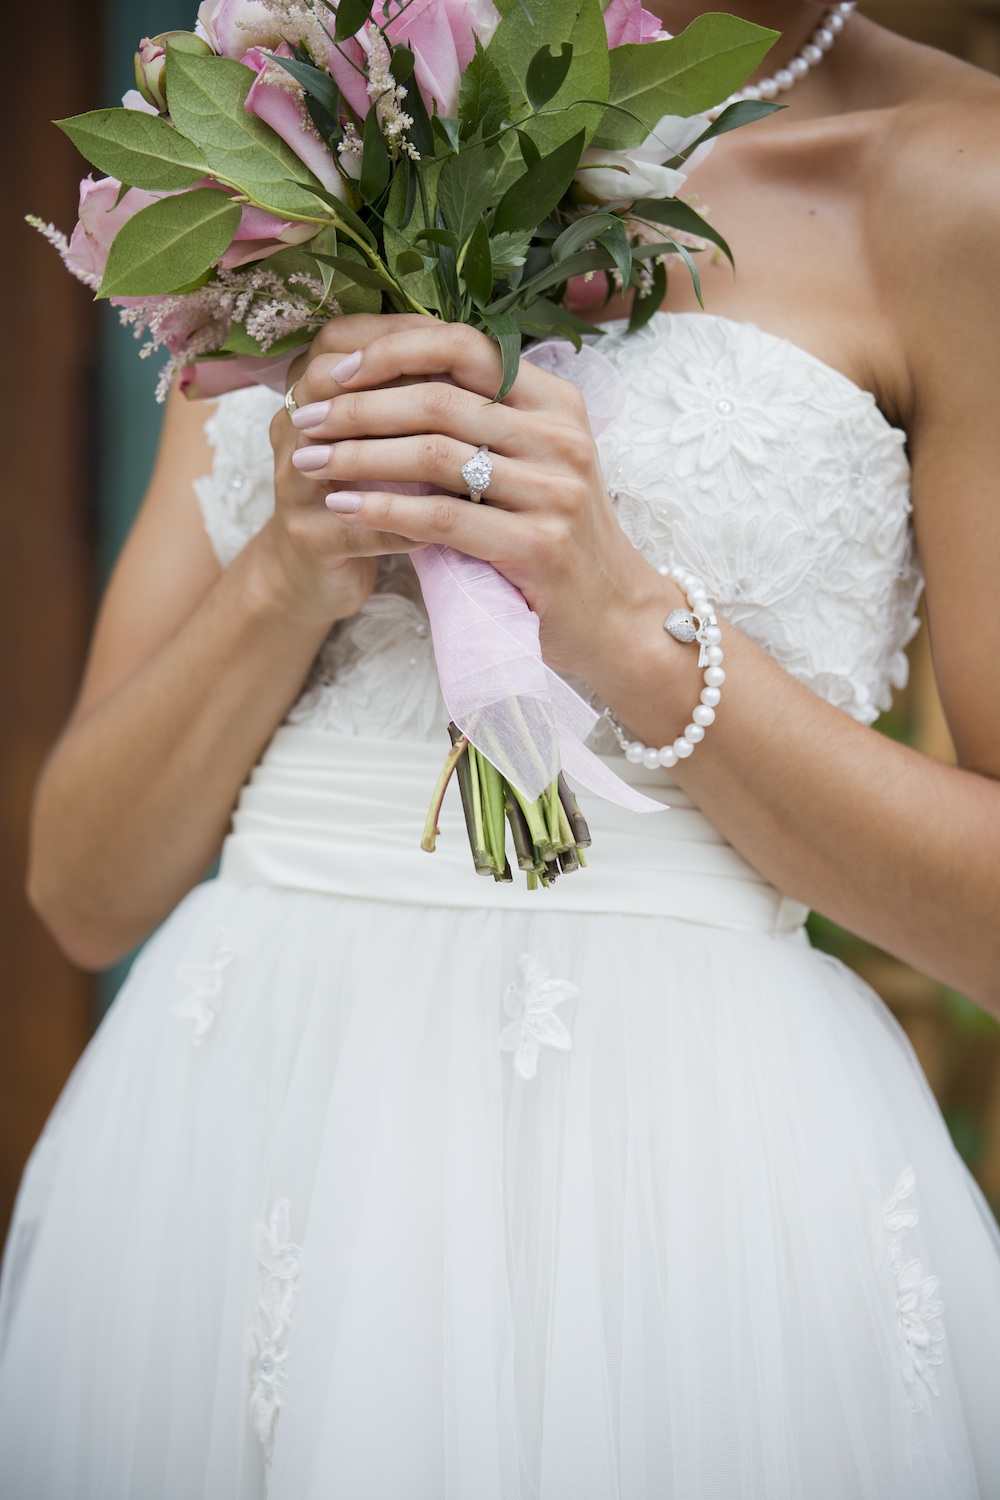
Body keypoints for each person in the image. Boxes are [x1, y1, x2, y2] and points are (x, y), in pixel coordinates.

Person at [2, 1, 999, 1494]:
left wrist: (629, 632)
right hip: (232, 1144)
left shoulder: (954, 184)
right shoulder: (333, 109)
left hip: (671, 1201)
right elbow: (80, 887)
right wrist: (287, 565)